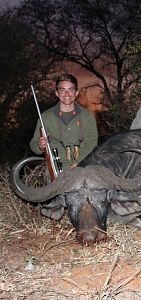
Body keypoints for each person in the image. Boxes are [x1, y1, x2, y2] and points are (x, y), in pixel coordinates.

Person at [30, 73, 98, 220]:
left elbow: (92, 141)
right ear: (56, 93)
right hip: (56, 169)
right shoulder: (45, 117)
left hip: (81, 166)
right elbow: (34, 145)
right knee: (53, 207)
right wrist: (41, 145)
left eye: (71, 90)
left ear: (77, 93)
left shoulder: (87, 116)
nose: (67, 94)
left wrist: (78, 162)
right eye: (62, 90)